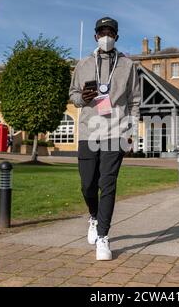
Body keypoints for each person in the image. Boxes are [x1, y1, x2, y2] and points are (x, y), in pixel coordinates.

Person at [69, 17, 141, 260]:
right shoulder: (83, 64)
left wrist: (131, 132)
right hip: (89, 131)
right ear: (95, 36)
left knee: (107, 184)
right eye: (102, 32)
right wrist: (84, 98)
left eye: (110, 32)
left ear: (117, 36)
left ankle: (103, 237)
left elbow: (134, 101)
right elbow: (74, 95)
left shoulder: (128, 65)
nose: (106, 36)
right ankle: (93, 216)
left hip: (116, 131)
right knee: (88, 184)